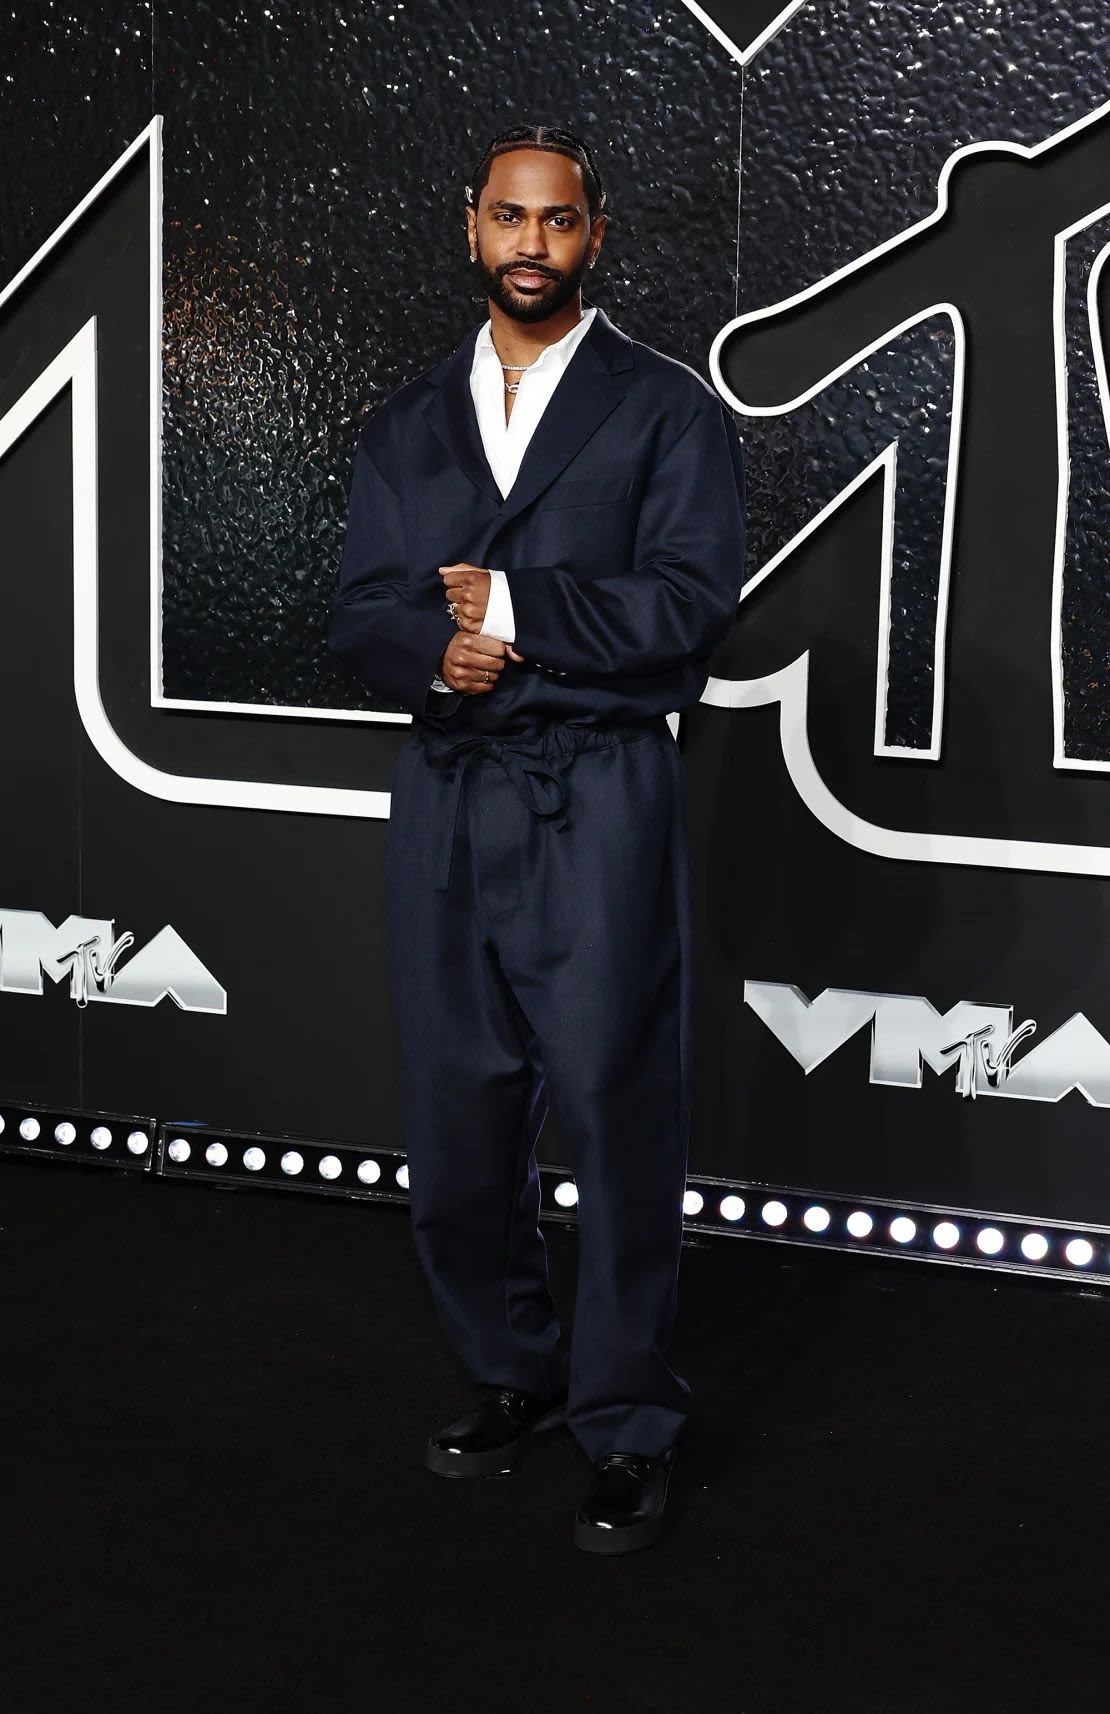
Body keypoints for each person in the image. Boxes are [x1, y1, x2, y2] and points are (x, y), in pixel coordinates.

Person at [327, 122, 746, 1554]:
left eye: (556, 221)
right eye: (507, 218)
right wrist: (426, 658)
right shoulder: (405, 418)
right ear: (469, 228)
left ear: (594, 234)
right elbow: (362, 612)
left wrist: (506, 614)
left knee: (616, 1113)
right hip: (446, 797)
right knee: (456, 1121)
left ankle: (626, 1419)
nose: (530, 244)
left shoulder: (664, 412)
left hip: (598, 794)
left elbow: (687, 607)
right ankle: (513, 1369)